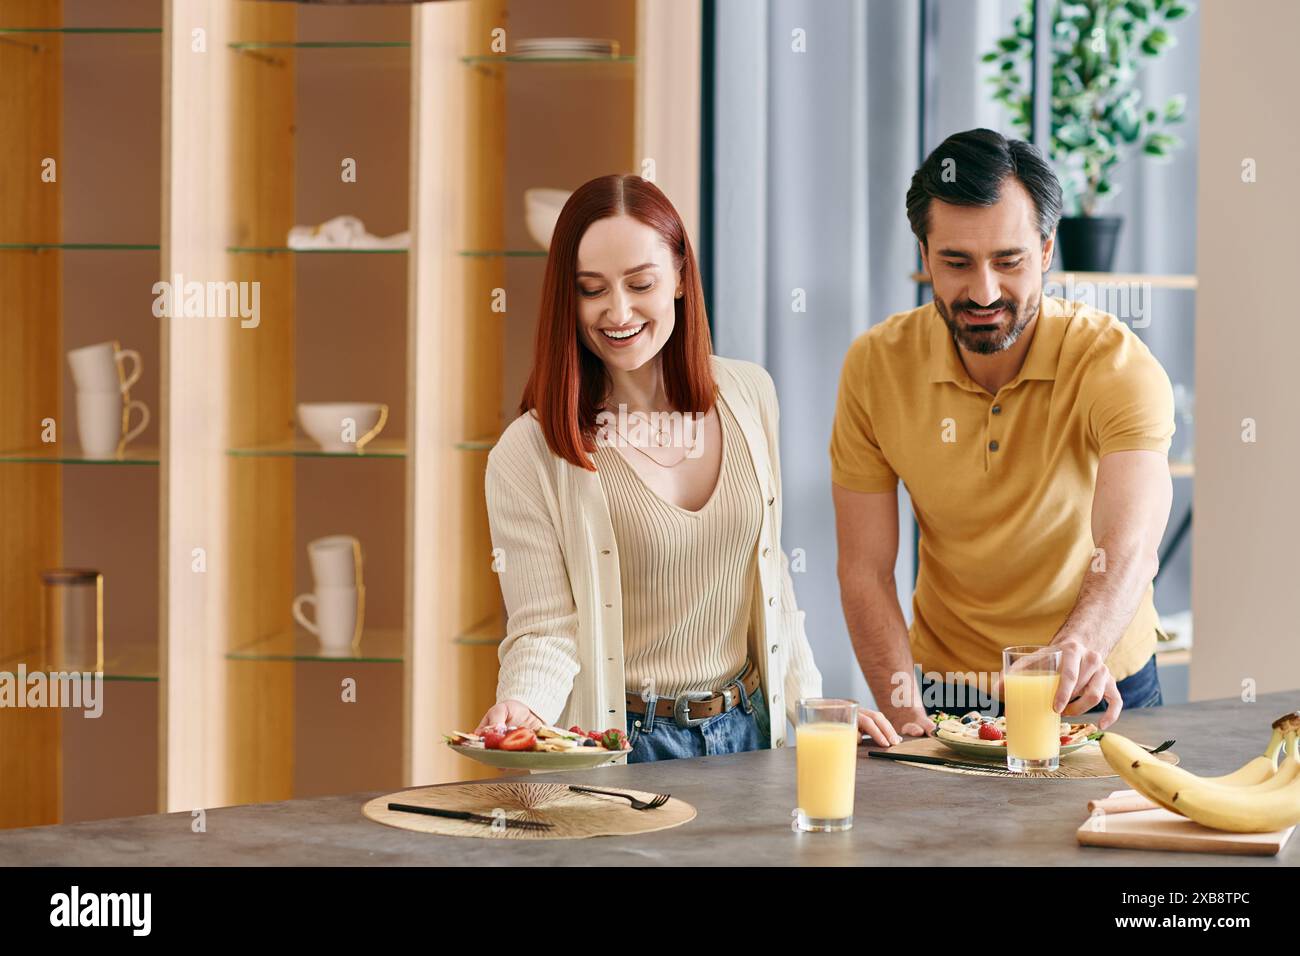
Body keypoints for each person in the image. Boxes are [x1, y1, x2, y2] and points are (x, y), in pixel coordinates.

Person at [476, 173, 903, 762]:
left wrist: (814, 711)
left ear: (679, 276)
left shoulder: (749, 393)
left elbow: (772, 578)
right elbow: (547, 627)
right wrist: (521, 707)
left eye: (640, 282)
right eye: (591, 289)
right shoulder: (530, 453)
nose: (617, 311)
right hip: (626, 745)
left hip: (752, 731)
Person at [830, 129, 1174, 736]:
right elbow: (865, 569)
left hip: (1094, 681)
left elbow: (1128, 547)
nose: (983, 292)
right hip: (944, 690)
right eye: (956, 263)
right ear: (924, 253)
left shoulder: (1114, 362)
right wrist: (907, 716)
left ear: (1045, 251)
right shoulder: (875, 366)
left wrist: (1074, 649)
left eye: (1008, 262)